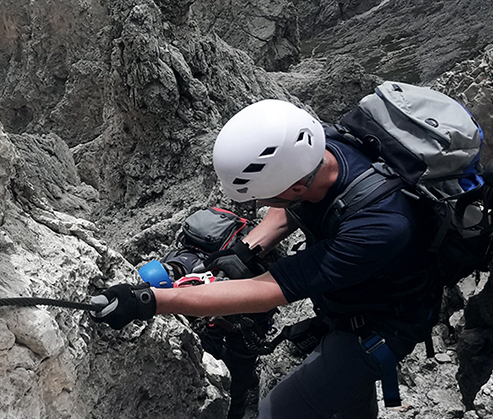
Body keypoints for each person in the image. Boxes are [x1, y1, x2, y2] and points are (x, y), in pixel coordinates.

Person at [91, 99, 439, 418]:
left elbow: (269, 291)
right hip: (354, 300)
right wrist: (247, 248)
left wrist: (149, 301)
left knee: (277, 412)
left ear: (296, 187)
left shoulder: (381, 225)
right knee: (346, 402)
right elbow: (295, 207)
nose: (261, 207)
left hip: (381, 326)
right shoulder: (326, 147)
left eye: (266, 197)